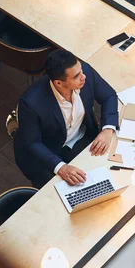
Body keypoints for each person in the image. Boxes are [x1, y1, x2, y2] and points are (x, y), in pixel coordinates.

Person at [14, 49, 118, 189]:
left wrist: (107, 129)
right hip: (45, 154)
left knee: (104, 175)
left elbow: (109, 96)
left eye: (81, 71)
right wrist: (61, 167)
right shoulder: (31, 103)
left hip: (80, 138)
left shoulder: (83, 72)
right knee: (59, 194)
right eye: (76, 76)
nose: (84, 77)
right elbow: (32, 143)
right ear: (58, 83)